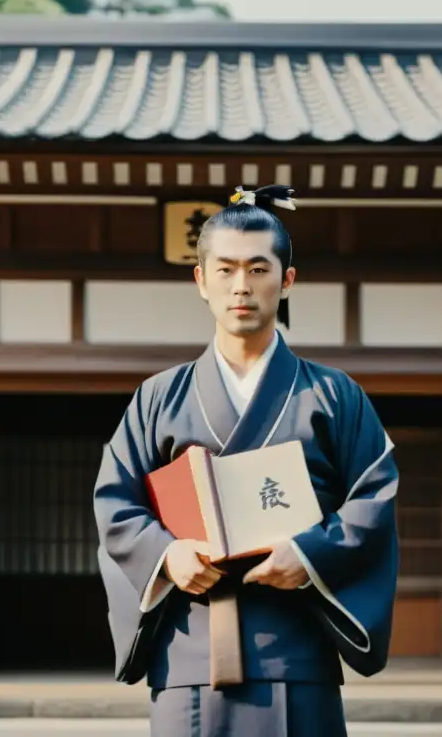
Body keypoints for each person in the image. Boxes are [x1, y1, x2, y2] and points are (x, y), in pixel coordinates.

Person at [93, 184, 400, 737]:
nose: (242, 286)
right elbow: (116, 500)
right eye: (227, 269)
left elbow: (373, 498)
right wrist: (167, 556)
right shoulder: (159, 396)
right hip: (188, 656)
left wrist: (308, 556)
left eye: (259, 269)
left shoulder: (334, 395)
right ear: (201, 280)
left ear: (286, 281)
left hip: (297, 653)